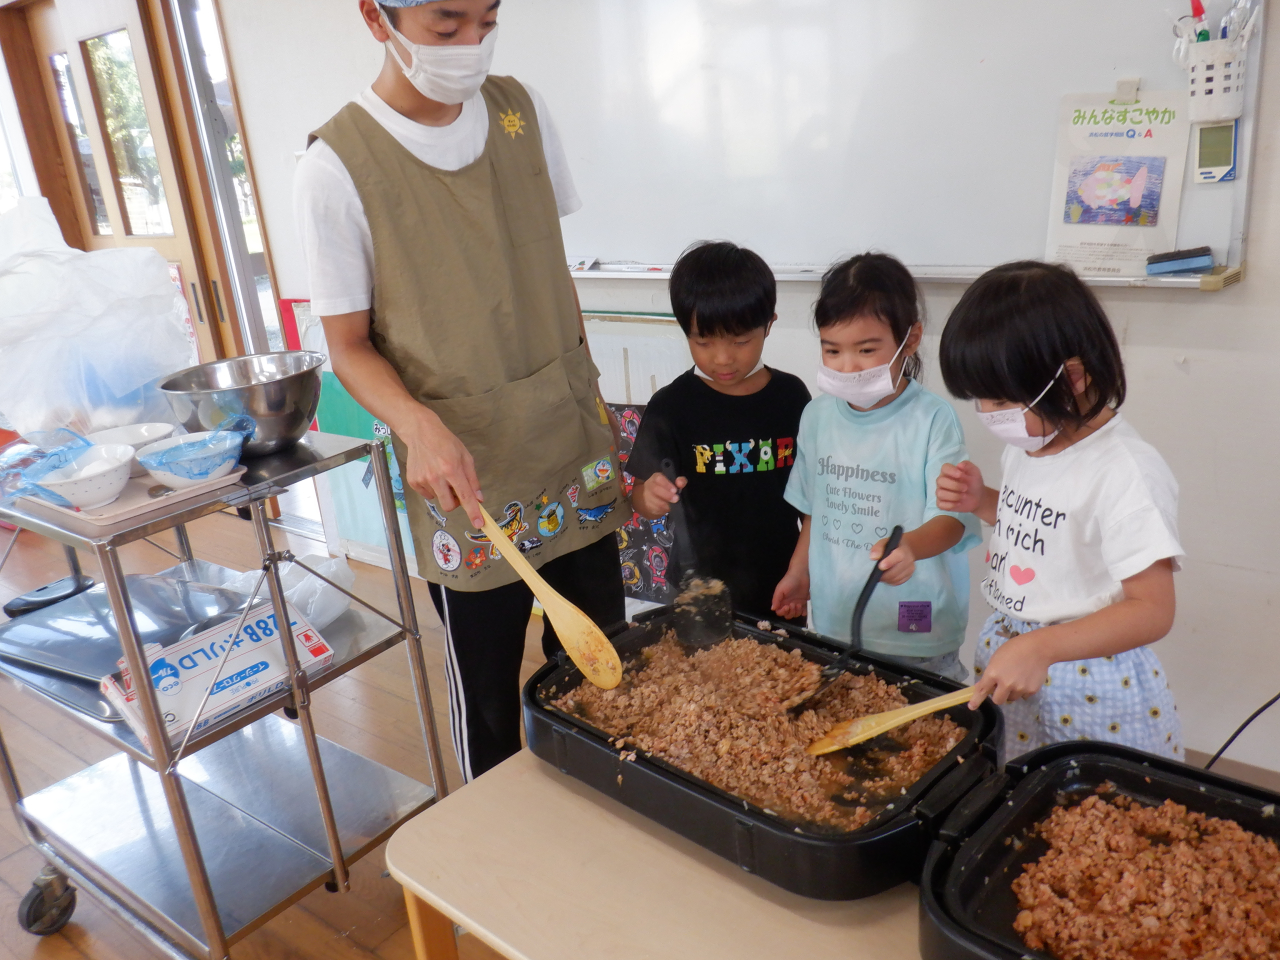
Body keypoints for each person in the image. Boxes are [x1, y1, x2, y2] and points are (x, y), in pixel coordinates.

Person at [294, 0, 626, 781]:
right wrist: (417, 426)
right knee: (488, 696)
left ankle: (605, 817)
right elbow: (348, 347)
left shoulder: (521, 113)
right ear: (376, 17)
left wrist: (588, 391)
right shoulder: (336, 167)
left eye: (487, 21)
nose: (471, 46)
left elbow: (550, 269)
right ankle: (494, 843)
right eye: (447, 27)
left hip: (566, 440)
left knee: (606, 671)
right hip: (465, 466)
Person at [936, 261, 1183, 762]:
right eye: (980, 399)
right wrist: (982, 501)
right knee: (1018, 785)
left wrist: (1043, 647)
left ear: (1071, 377)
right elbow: (1048, 529)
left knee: (1093, 799)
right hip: (1018, 653)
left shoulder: (1125, 470)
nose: (988, 415)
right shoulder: (1031, 443)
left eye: (1001, 399)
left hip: (1090, 674)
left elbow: (1153, 609)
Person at [773, 253, 980, 682]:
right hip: (834, 620)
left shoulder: (932, 420)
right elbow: (816, 509)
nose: (847, 366)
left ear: (910, 339)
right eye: (832, 350)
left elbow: (953, 521)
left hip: (915, 630)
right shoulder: (817, 417)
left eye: (866, 350)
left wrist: (911, 548)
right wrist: (798, 571)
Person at [627, 241, 811, 622]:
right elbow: (639, 497)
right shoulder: (671, 406)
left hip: (781, 583)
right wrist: (651, 496)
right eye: (703, 342)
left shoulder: (792, 398)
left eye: (740, 340)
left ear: (769, 324)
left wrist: (803, 569)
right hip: (696, 587)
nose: (723, 358)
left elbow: (813, 500)